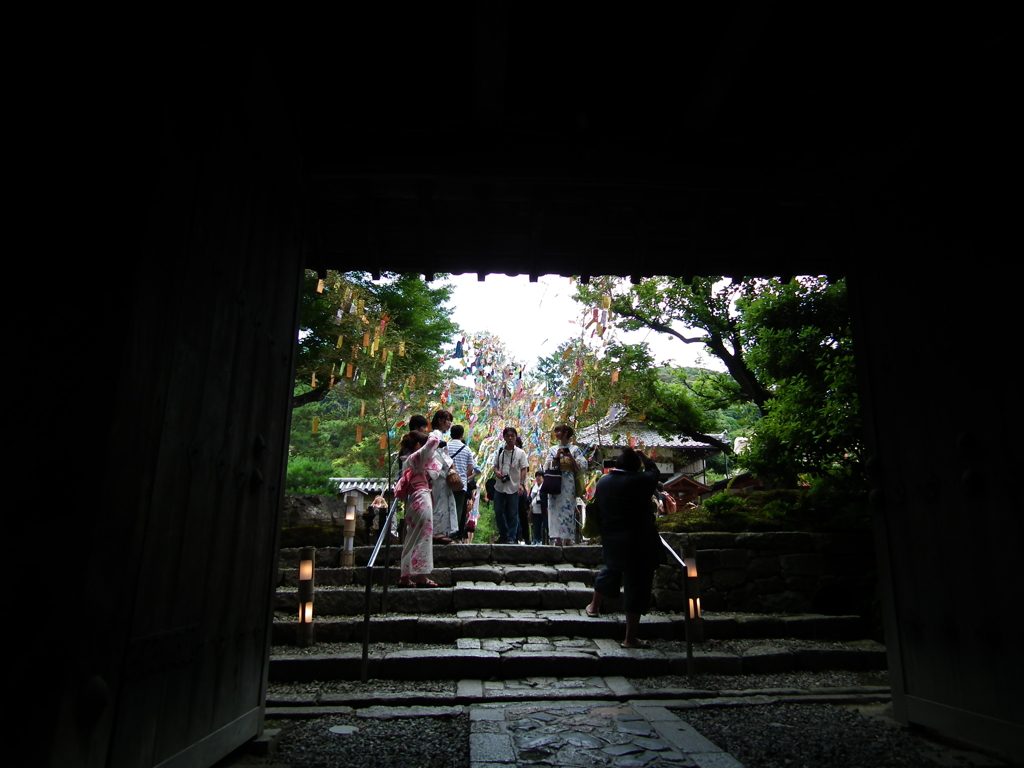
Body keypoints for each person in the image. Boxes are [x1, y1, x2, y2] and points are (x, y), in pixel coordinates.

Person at [585, 447, 665, 648]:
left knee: (610, 570)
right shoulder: (639, 481)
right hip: (639, 540)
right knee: (636, 585)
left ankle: (594, 606)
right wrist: (645, 457)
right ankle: (630, 638)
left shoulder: (603, 482)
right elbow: (654, 473)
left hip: (612, 537)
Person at [396, 431, 441, 587]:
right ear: (417, 445)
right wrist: (429, 434)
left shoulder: (406, 461)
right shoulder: (418, 456)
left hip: (412, 500)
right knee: (424, 537)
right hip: (422, 498)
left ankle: (405, 576)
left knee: (411, 538)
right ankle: (421, 577)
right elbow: (434, 440)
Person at [545, 424, 586, 546]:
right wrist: (557, 457)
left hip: (568, 483)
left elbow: (582, 466)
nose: (557, 433)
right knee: (554, 509)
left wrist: (570, 458)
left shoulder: (575, 450)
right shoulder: (552, 450)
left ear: (566, 433)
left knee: (568, 509)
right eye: (556, 431)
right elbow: (547, 466)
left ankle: (568, 538)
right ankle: (557, 538)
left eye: (559, 431)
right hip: (555, 481)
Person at [492, 426, 529, 544]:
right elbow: (495, 466)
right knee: (498, 511)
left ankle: (511, 537)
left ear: (515, 437)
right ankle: (503, 534)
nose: (510, 438)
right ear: (504, 437)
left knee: (513, 513)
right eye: (507, 436)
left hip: (513, 486)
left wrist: (521, 484)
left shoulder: (520, 453)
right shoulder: (500, 451)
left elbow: (524, 469)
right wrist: (497, 472)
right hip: (500, 486)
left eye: (512, 436)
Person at [427, 410, 458, 544]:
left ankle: (440, 530)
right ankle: (436, 531)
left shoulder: (438, 435)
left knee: (443, 501)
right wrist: (450, 465)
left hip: (441, 472)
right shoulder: (435, 435)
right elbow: (438, 454)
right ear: (440, 420)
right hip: (438, 473)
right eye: (447, 420)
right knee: (439, 502)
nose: (449, 423)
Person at [447, 424, 481, 542]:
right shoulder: (466, 449)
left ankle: (445, 533)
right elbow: (471, 468)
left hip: (446, 483)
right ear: (462, 435)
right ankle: (455, 535)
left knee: (446, 508)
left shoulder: (446, 446)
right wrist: (462, 477)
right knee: (458, 509)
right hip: (460, 485)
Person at [529, 470, 548, 545]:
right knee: (536, 526)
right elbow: (530, 497)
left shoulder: (546, 487)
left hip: (544, 509)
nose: (538, 478)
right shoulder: (533, 487)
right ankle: (537, 539)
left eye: (539, 476)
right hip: (535, 510)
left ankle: (547, 540)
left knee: (546, 525)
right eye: (537, 476)